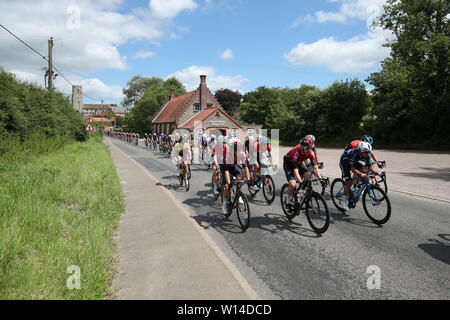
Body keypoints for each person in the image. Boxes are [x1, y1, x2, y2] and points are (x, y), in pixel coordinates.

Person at [339, 141, 384, 211]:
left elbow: (370, 167)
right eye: (366, 153)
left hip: (353, 162)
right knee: (349, 182)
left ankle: (357, 186)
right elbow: (353, 169)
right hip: (345, 162)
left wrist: (378, 173)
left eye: (368, 152)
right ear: (360, 151)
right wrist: (362, 174)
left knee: (365, 170)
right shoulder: (354, 154)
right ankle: (343, 201)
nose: (367, 154)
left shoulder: (367, 154)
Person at [282, 137, 326, 207]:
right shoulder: (295, 153)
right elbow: (296, 172)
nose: (310, 150)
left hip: (299, 162)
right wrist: (300, 182)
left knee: (308, 176)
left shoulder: (311, 153)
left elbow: (315, 168)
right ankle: (288, 199)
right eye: (307, 148)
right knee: (293, 184)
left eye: (311, 148)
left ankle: (302, 194)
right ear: (302, 148)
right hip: (289, 163)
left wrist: (321, 180)